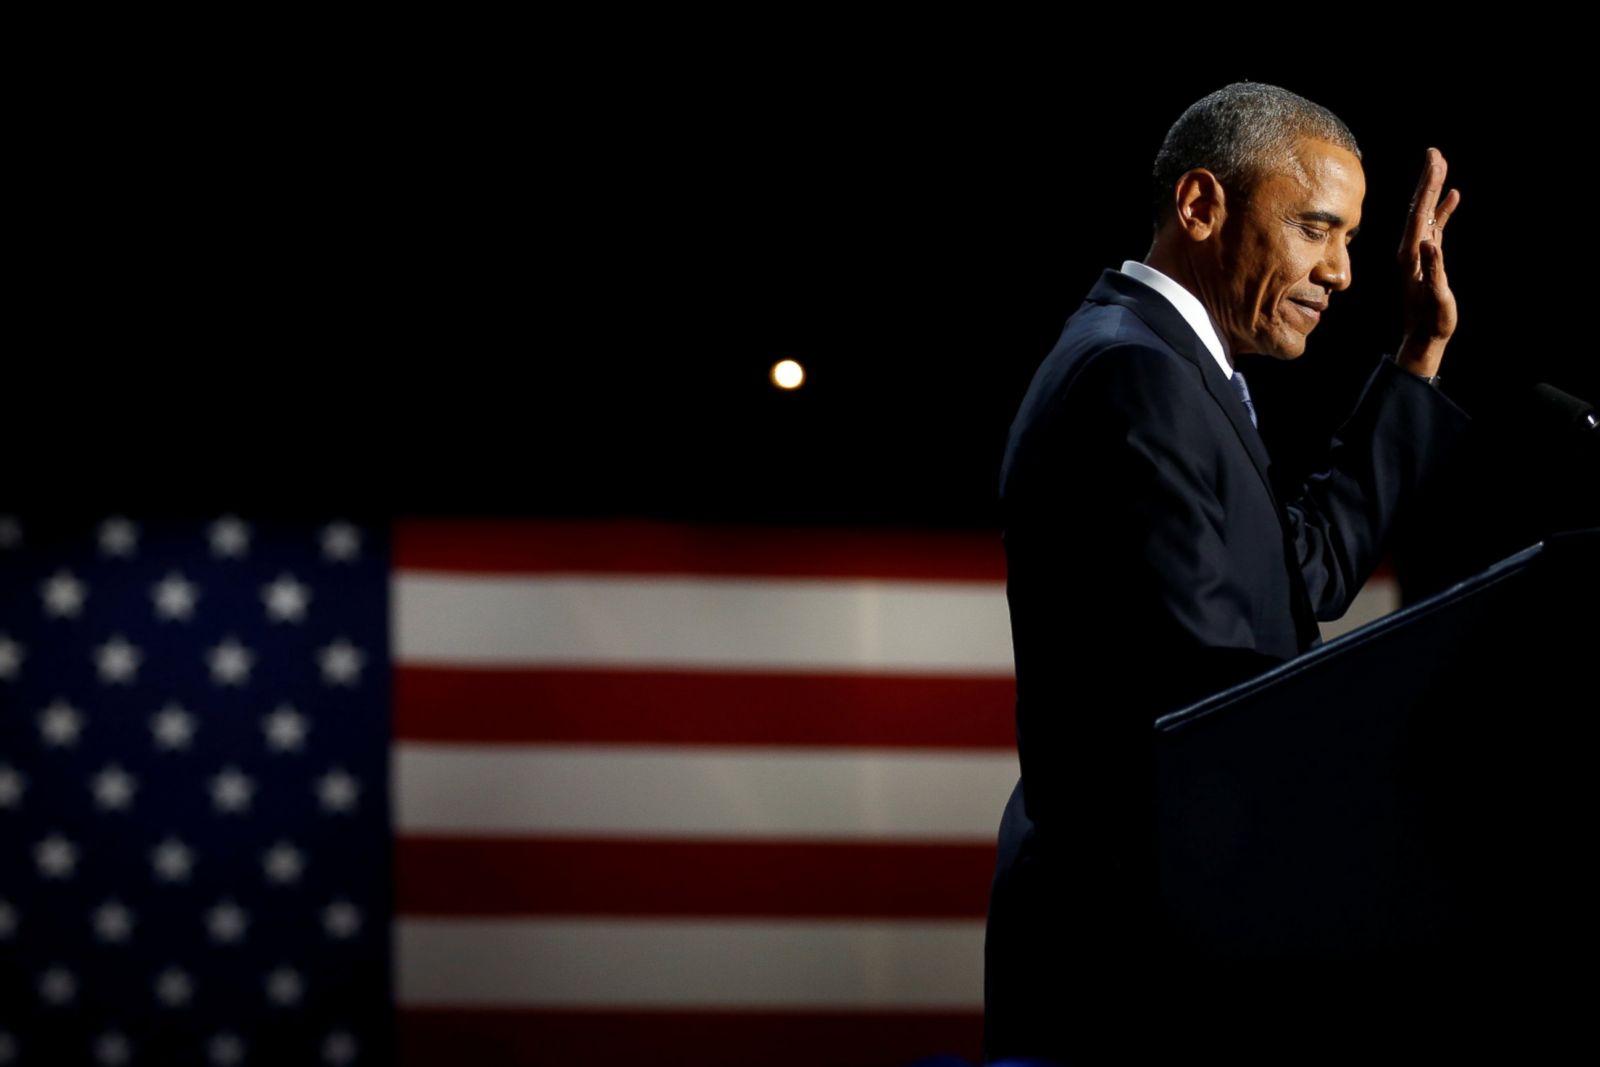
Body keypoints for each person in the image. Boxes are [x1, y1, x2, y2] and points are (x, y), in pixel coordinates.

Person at [982, 82, 1472, 1062]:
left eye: (1349, 239)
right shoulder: (1135, 375)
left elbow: (1306, 572)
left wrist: (1417, 353)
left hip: (1153, 940)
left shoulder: (1171, 367)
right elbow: (1204, 693)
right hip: (1134, 970)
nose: (1341, 271)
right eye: (1315, 229)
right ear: (1201, 206)